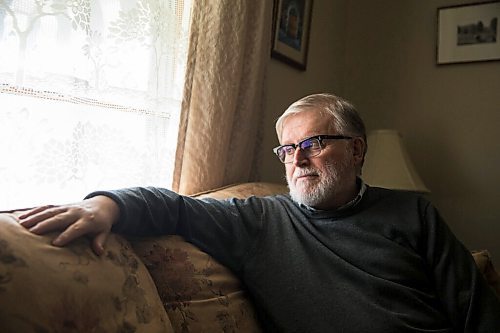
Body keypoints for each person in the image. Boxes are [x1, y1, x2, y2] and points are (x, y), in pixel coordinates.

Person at [18, 93, 500, 332]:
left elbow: (476, 309)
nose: (297, 160)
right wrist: (107, 205)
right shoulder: (259, 221)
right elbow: (177, 208)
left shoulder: (412, 211)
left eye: (312, 143)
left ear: (355, 151)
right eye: (287, 150)